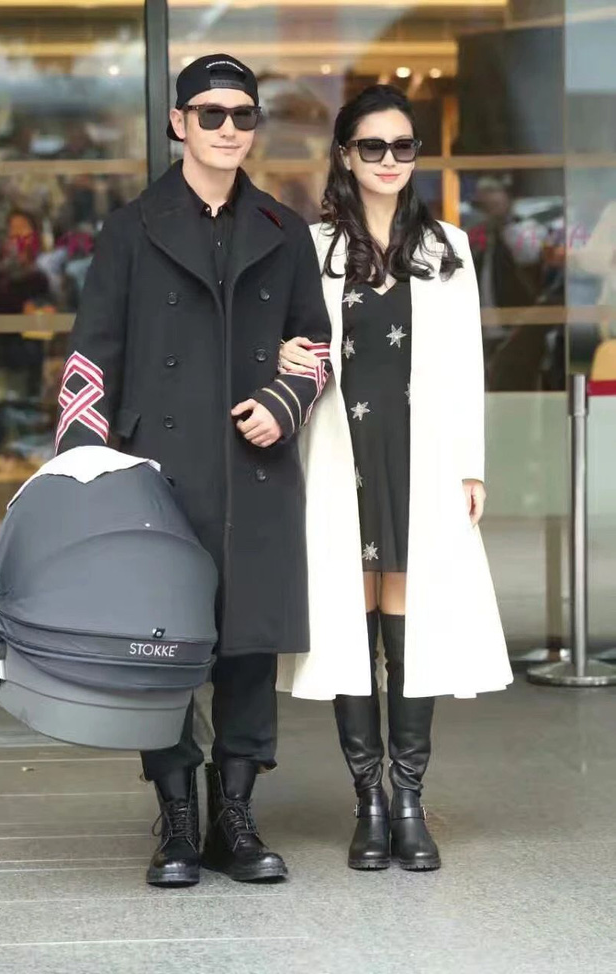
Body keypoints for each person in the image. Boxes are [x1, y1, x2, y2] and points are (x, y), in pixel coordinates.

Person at [55, 54, 332, 888]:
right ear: (179, 123)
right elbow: (92, 356)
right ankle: (177, 820)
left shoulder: (285, 231)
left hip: (254, 467)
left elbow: (316, 346)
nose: (228, 129)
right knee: (162, 645)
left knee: (248, 647)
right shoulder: (129, 229)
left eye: (243, 114)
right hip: (158, 474)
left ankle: (235, 821)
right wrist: (82, 474)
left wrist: (285, 399)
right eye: (210, 113)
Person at [280, 86, 512, 871]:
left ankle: (408, 797)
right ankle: (368, 801)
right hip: (338, 451)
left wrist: (472, 464)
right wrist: (278, 355)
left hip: (422, 453)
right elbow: (286, 343)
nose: (388, 160)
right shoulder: (311, 248)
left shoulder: (447, 246)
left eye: (402, 146)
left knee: (411, 619)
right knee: (351, 620)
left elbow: (468, 365)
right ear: (345, 154)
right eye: (372, 146)